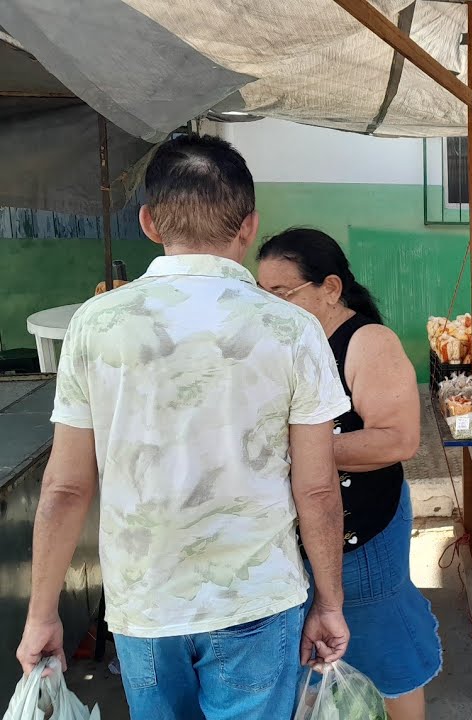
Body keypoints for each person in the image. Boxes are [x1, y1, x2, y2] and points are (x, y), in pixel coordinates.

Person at [16, 135, 352, 720]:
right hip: (257, 600)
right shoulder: (293, 329)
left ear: (148, 222)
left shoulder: (96, 325)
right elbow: (318, 489)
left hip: (146, 605)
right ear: (249, 226)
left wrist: (42, 613)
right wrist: (330, 601)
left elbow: (66, 487)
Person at [258, 228, 442, 719]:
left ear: (331, 288)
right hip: (312, 530)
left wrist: (302, 450)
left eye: (281, 294)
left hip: (364, 529)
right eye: (262, 296)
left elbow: (398, 439)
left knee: (381, 650)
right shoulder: (293, 344)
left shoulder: (367, 341)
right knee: (325, 659)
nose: (269, 306)